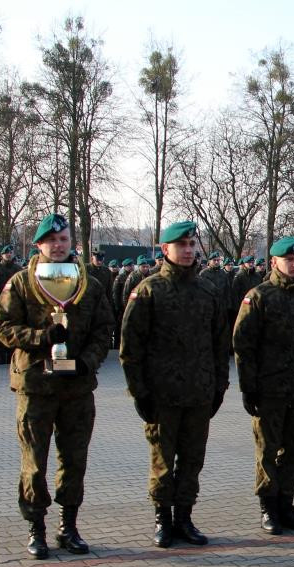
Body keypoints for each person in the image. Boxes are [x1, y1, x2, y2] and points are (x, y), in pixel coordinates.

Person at [0, 213, 114, 560]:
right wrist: (40, 337)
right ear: (39, 245)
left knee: (74, 459)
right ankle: (37, 529)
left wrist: (86, 362)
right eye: (52, 241)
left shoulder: (87, 283)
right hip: (36, 384)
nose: (59, 246)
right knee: (34, 461)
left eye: (64, 240)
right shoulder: (20, 283)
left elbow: (103, 328)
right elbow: (3, 328)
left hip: (76, 387)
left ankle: (69, 527)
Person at [120, 221, 231, 548]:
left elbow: (220, 346)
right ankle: (162, 519)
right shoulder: (149, 291)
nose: (187, 250)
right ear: (164, 249)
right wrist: (140, 393)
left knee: (192, 460)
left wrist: (219, 388)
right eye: (180, 245)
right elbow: (130, 348)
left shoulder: (208, 290)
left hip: (198, 393)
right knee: (163, 461)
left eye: (191, 244)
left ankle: (184, 517)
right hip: (162, 395)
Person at [233, 236, 294, 535]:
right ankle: (268, 507)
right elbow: (243, 345)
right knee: (267, 450)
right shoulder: (259, 296)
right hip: (270, 390)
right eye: (290, 260)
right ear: (274, 262)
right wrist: (248, 388)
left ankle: (287, 503)